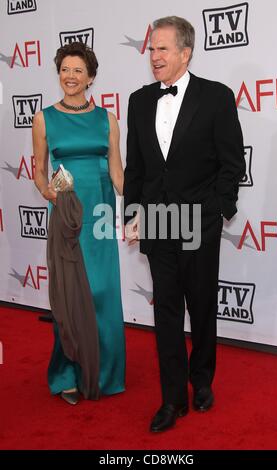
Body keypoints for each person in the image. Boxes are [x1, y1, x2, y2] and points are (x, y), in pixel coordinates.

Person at [124, 16, 245, 432]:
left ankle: (201, 381)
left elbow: (232, 165)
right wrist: (133, 215)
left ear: (185, 52)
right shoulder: (139, 101)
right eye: (151, 49)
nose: (153, 56)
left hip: (199, 223)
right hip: (157, 224)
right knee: (167, 315)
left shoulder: (216, 97)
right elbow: (137, 168)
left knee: (203, 309)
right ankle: (172, 399)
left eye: (161, 48)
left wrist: (215, 212)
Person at [33, 41, 125, 404]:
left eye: (78, 70)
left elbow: (117, 172)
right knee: (69, 298)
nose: (70, 76)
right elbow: (39, 172)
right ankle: (66, 374)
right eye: (65, 69)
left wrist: (139, 203)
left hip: (100, 212)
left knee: (102, 293)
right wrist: (49, 193)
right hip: (67, 216)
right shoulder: (44, 118)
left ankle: (105, 375)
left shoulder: (108, 119)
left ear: (91, 77)